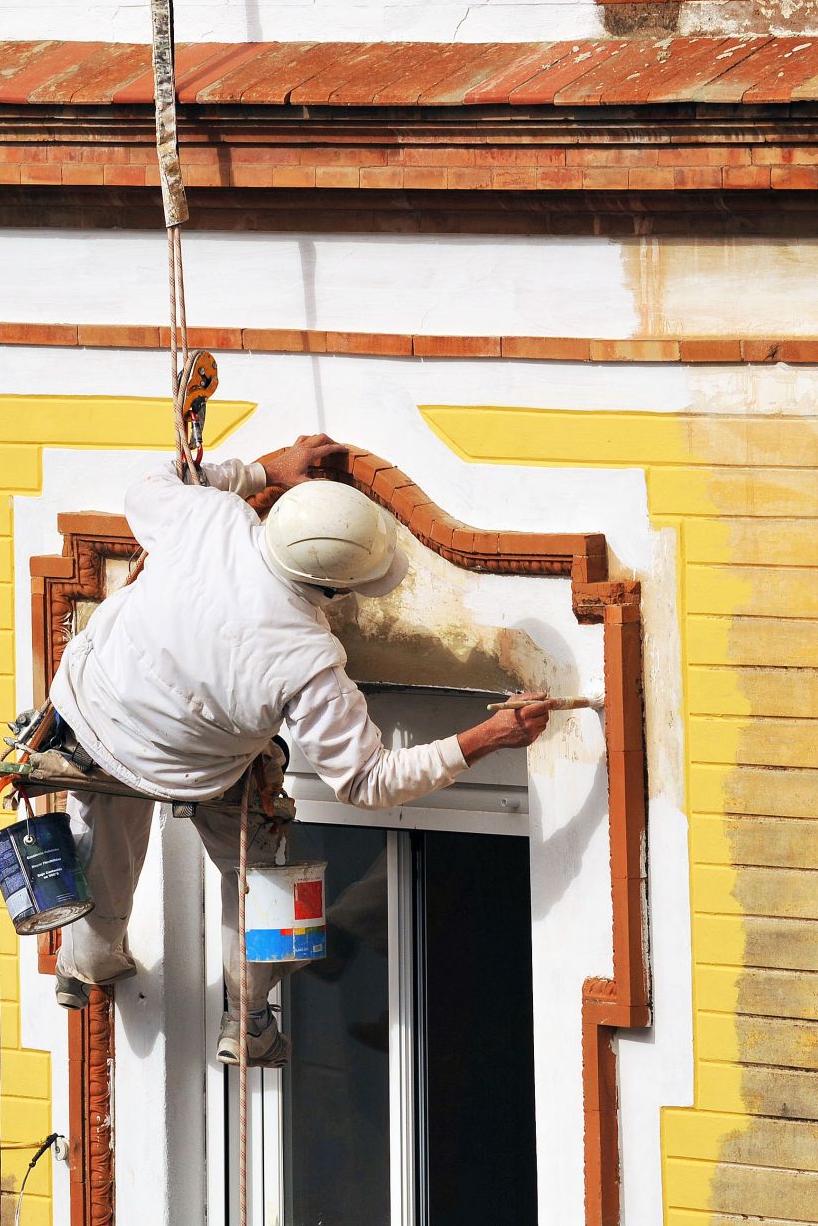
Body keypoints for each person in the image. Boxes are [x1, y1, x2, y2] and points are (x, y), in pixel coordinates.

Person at [47, 434, 555, 1067]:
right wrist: (484, 739)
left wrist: (264, 468)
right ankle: (250, 1018)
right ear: (334, 592)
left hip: (93, 716)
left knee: (102, 850)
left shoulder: (214, 517)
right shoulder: (309, 660)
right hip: (189, 765)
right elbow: (368, 782)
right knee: (263, 875)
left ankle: (85, 962)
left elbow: (149, 486)